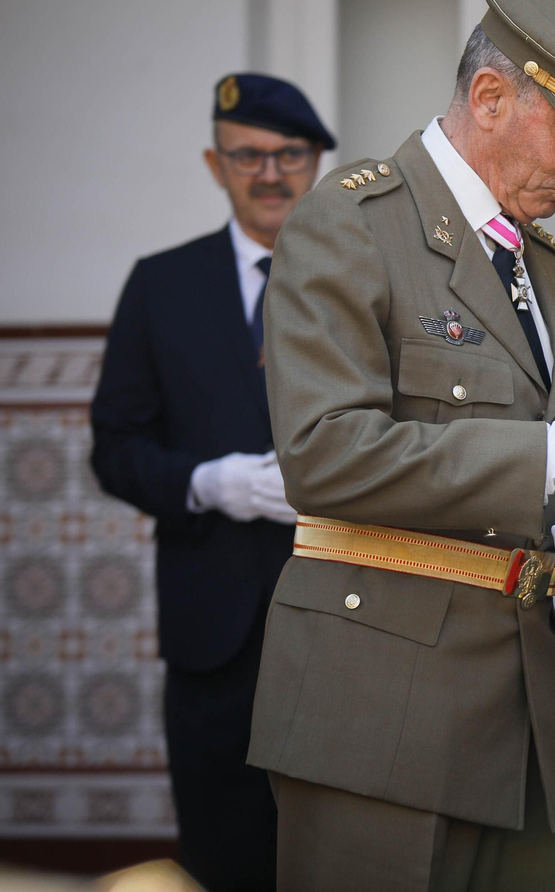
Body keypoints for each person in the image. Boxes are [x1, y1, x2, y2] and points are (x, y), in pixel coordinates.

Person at [248, 0, 555, 891]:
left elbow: (542, 498)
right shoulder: (351, 224)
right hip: (377, 721)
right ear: (490, 97)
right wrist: (548, 455)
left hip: (519, 728)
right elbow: (326, 453)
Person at [89, 73, 335, 891]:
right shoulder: (162, 284)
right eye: (247, 156)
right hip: (213, 631)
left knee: (347, 848)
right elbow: (114, 446)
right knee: (225, 851)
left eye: (289, 155)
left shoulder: (364, 279)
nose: (269, 175)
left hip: (350, 618)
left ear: (319, 163)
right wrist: (207, 483)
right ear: (214, 162)